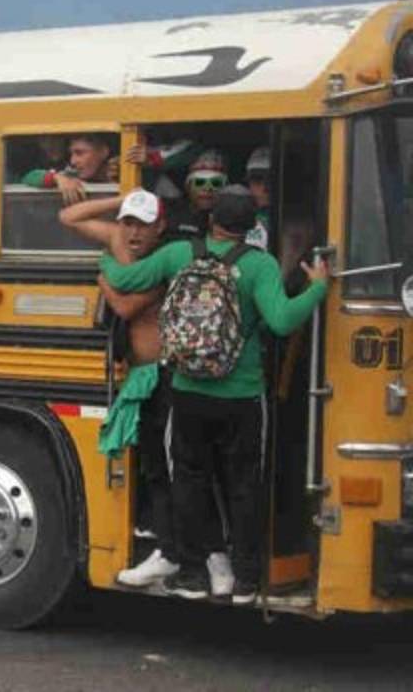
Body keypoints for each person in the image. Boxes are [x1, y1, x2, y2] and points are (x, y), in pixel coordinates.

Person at [100, 185, 328, 604]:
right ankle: (244, 581)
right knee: (242, 484)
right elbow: (280, 321)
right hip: (241, 394)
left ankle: (190, 574)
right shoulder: (258, 265)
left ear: (211, 221)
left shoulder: (179, 253)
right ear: (253, 226)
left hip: (187, 389)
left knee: (188, 481)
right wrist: (316, 288)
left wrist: (104, 258)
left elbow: (122, 277)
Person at [60, 190, 187, 587]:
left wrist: (104, 279)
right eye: (129, 222)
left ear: (160, 227)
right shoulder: (117, 237)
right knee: (148, 462)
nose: (133, 232)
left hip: (163, 373)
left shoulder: (166, 262)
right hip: (138, 375)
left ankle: (172, 549)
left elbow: (128, 308)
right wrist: (119, 198)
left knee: (169, 466)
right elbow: (70, 216)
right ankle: (157, 534)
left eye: (143, 224)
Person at [20, 134, 118, 205]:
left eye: (79, 153)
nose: (72, 161)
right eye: (71, 154)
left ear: (103, 152)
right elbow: (28, 177)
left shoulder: (121, 172)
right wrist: (57, 178)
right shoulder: (70, 176)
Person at [244, 146, 271, 250]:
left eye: (271, 179)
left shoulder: (295, 223)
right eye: (257, 180)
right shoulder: (237, 217)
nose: (265, 188)